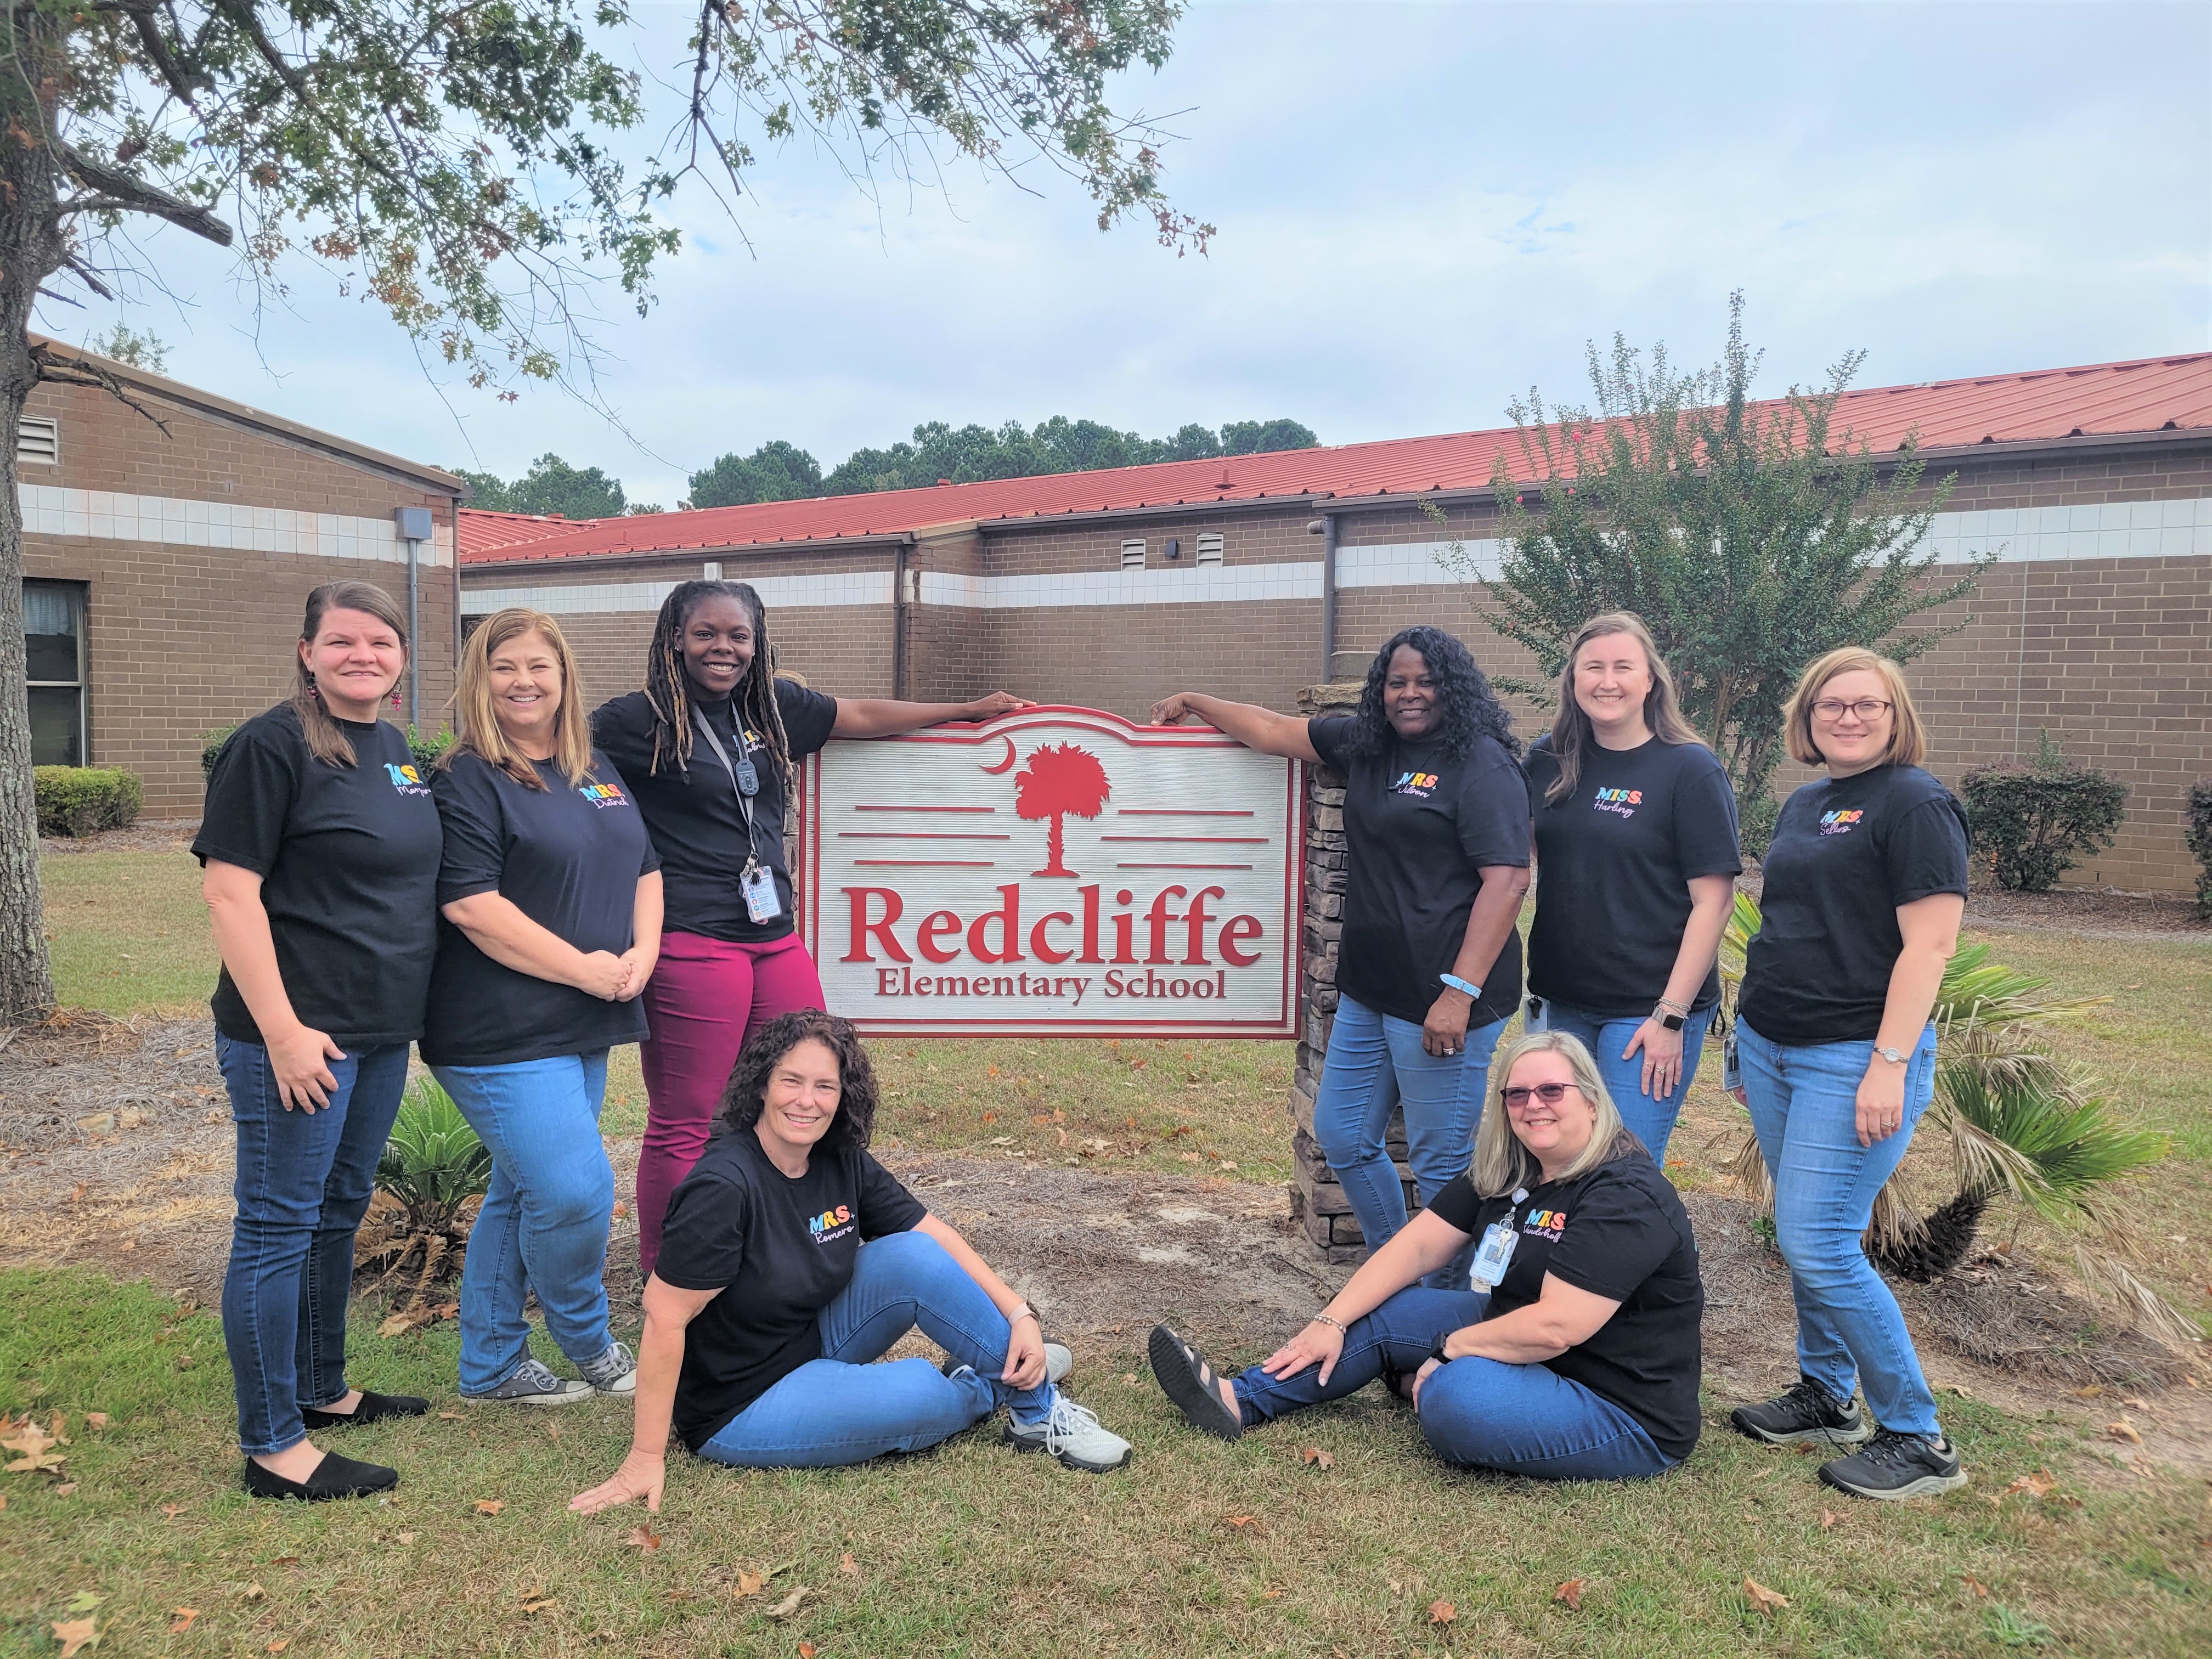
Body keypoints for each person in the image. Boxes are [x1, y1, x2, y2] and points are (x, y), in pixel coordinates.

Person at [591, 580, 1031, 1278]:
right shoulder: (630, 722)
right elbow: (560, 769)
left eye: (739, 636)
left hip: (774, 938)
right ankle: (668, 1278)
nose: (724, 649)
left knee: (806, 1083)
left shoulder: (772, 708)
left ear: (757, 642)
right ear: (675, 637)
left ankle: (775, 1252)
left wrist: (967, 711)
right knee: (688, 1118)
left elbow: (858, 713)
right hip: (691, 939)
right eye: (706, 633)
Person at [568, 1009, 1131, 1510]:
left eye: (824, 1086)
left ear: (844, 1095)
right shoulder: (724, 1186)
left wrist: (1019, 1315)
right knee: (921, 1394)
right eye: (791, 1080)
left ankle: (1035, 1408)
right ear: (762, 1085)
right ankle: (989, 1380)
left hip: (812, 1337)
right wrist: (645, 1455)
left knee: (912, 1253)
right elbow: (665, 1317)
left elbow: (937, 1238)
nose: (806, 1100)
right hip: (740, 1401)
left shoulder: (839, 1160)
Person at [1152, 626, 1531, 1287]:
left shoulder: (1482, 764)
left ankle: (1450, 1309)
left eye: (1425, 682)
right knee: (1345, 1135)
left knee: (1442, 1165)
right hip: (1371, 988)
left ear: (1454, 687)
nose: (1410, 694)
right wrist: (1197, 699)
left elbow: (1508, 881)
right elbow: (1273, 730)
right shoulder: (1369, 746)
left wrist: (1459, 994)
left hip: (1444, 997)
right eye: (1397, 682)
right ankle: (1398, 1270)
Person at [1149, 1031, 1702, 1481]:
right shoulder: (1512, 1167)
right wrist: (1330, 1320)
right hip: (1521, 1341)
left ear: (1590, 1097)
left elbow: (1558, 1327)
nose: (1533, 1105)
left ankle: (1429, 1383)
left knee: (1454, 1399)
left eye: (1552, 1091)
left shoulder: (1625, 1192)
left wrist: (1450, 1350)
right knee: (1390, 1311)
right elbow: (1416, 1246)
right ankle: (1240, 1399)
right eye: (1517, 1094)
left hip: (1616, 1405)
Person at [196, 581, 443, 1500]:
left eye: (381, 641)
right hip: (295, 1040)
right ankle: (273, 1445)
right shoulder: (271, 745)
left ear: (401, 657)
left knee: (337, 1212)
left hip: (378, 1033)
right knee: (275, 1225)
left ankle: (322, 1388)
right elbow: (230, 892)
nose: (362, 655)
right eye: (342, 640)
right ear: (307, 651)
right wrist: (284, 1030)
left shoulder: (394, 751)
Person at [1727, 647, 1970, 1502]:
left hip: (1855, 1056)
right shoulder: (1806, 802)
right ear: (1808, 717)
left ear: (1896, 715)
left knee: (1819, 1240)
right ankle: (1829, 1396)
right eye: (1833, 705)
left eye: (1869, 705)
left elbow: (1930, 946)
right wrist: (1743, 1035)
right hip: (1774, 1044)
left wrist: (1889, 1065)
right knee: (1809, 1233)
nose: (1850, 718)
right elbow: (1787, 923)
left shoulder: (1916, 803)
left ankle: (1918, 1436)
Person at [423, 609, 664, 1406]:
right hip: (499, 1027)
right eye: (504, 667)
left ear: (565, 679)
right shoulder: (465, 777)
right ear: (478, 681)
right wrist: (586, 971)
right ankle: (591, 1344)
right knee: (575, 1191)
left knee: (523, 1188)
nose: (523, 682)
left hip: (586, 1018)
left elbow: (644, 866)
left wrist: (644, 955)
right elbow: (470, 907)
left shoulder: (591, 768)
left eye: (539, 667)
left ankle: (491, 1365)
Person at [1522, 613, 1740, 1160]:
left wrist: (1671, 1015)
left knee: (1624, 1169)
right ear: (1574, 681)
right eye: (1593, 667)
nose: (1607, 680)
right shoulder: (1547, 760)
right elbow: (1507, 861)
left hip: (1646, 1012)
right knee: (1560, 1158)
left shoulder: (1689, 769)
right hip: (1560, 1002)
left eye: (1624, 667)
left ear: (1650, 681)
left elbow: (1713, 902)